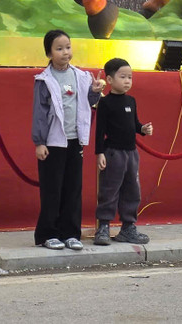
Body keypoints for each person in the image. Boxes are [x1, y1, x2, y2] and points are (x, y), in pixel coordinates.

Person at [32, 28, 105, 250]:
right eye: (59, 49)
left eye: (68, 47)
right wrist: (40, 142)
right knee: (52, 189)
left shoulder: (81, 76)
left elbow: (88, 103)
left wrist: (94, 91)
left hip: (75, 141)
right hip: (53, 142)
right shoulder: (44, 80)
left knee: (73, 189)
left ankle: (71, 233)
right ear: (49, 53)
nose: (65, 52)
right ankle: (48, 234)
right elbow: (40, 113)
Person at [93, 57, 153, 246]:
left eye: (130, 77)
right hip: (113, 153)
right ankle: (103, 226)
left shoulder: (131, 101)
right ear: (110, 80)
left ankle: (128, 227)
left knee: (132, 190)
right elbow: (100, 131)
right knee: (109, 190)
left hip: (131, 153)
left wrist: (142, 129)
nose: (127, 81)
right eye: (123, 77)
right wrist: (100, 153)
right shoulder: (105, 103)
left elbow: (134, 123)